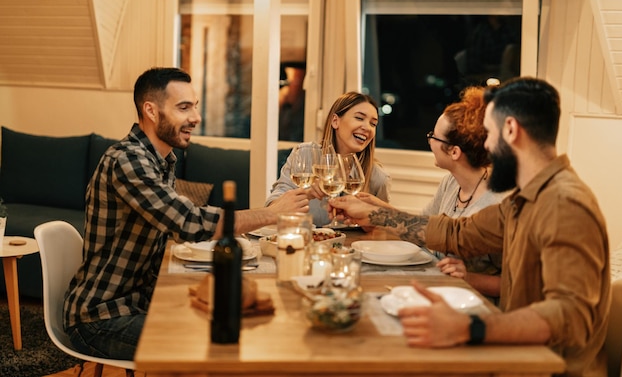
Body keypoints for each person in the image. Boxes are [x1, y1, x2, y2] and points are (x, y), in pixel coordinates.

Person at [328, 77, 610, 377]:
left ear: (511, 130)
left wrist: (468, 327)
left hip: (548, 367)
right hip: (519, 354)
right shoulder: (525, 199)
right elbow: (456, 233)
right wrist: (374, 215)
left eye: (489, 133)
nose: (484, 145)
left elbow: (571, 317)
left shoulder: (564, 204)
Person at [63, 67, 309, 360]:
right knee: (216, 345)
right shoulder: (127, 161)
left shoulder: (162, 159)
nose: (196, 117)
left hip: (138, 302)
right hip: (100, 317)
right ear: (151, 111)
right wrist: (273, 214)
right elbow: (190, 222)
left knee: (237, 319)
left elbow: (177, 228)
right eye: (184, 107)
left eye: (195, 106)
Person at [358, 86, 508, 300]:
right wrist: (377, 207)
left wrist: (469, 278)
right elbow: (422, 228)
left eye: (434, 137)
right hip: (437, 293)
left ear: (454, 152)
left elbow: (514, 285)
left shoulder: (497, 203)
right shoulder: (451, 183)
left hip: (473, 308)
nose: (429, 142)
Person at [265, 91, 391, 226]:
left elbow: (380, 229)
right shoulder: (305, 155)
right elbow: (273, 206)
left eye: (373, 124)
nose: (367, 127)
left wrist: (368, 220)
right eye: (359, 118)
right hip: (305, 242)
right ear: (335, 121)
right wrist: (307, 194)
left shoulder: (378, 177)